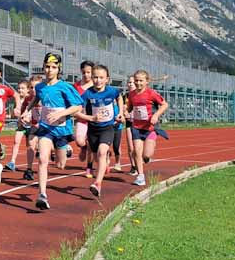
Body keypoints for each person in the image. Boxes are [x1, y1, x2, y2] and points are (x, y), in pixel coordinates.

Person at [26, 52, 85, 210]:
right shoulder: (40, 87)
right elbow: (36, 99)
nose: (49, 70)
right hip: (45, 128)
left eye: (53, 67)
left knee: (60, 165)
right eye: (47, 67)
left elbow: (78, 106)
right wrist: (27, 111)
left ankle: (65, 149)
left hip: (62, 130)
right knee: (42, 159)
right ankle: (42, 195)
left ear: (59, 69)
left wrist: (61, 113)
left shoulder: (65, 87)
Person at [78, 65, 125, 197]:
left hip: (108, 128)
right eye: (95, 77)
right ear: (92, 78)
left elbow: (119, 97)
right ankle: (104, 163)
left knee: (102, 152)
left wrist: (120, 113)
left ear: (107, 79)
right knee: (96, 157)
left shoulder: (112, 91)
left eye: (101, 77)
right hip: (93, 129)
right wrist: (89, 118)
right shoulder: (87, 94)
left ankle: (97, 184)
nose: (98, 80)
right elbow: (77, 111)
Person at [126, 70, 169, 186]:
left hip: (150, 128)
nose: (138, 83)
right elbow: (129, 107)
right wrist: (126, 112)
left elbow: (165, 104)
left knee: (146, 155)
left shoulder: (151, 93)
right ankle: (140, 176)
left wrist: (156, 115)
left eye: (141, 81)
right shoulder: (132, 94)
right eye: (136, 80)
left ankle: (147, 158)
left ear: (147, 81)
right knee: (136, 151)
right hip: (136, 127)